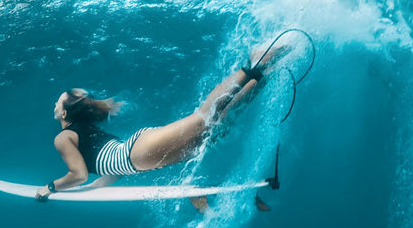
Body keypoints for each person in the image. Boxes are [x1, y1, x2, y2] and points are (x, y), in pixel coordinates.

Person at [35, 43, 291, 201]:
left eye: (57, 102)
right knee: (218, 128)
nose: (53, 105)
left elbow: (77, 174)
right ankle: (263, 77)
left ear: (65, 114)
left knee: (203, 120)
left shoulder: (63, 138)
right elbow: (109, 169)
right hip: (139, 158)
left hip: (139, 152)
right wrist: (94, 188)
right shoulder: (85, 134)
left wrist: (50, 187)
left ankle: (254, 63)